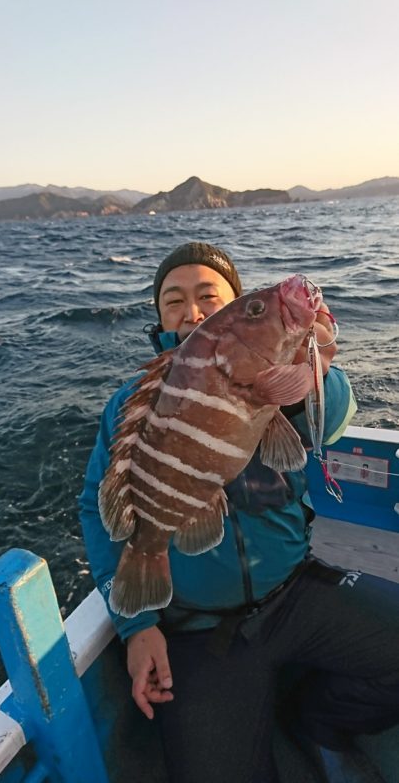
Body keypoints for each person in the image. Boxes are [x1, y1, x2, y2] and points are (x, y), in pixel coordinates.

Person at [78, 242, 399, 783]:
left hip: (295, 593)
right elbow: (97, 504)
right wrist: (137, 627)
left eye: (212, 296)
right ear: (159, 318)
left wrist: (306, 373)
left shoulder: (291, 369)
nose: (192, 311)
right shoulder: (129, 403)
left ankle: (318, 720)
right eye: (174, 300)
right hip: (199, 631)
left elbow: (329, 422)